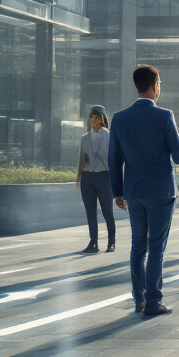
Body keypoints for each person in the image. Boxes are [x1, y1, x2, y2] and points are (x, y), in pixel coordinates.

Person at [108, 65, 179, 317]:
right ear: (155, 86)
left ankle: (139, 299)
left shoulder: (119, 118)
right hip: (161, 192)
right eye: (159, 83)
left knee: (137, 246)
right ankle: (153, 301)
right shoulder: (165, 116)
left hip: (133, 192)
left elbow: (113, 160)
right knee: (156, 248)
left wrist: (117, 192)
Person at [76, 105, 115, 254]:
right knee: (90, 212)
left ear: (102, 119)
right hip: (88, 177)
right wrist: (79, 178)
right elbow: (81, 159)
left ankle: (111, 242)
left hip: (105, 177)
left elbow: (115, 159)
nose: (93, 120)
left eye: (96, 117)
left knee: (107, 211)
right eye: (91, 117)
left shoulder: (110, 136)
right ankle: (93, 242)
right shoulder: (84, 138)